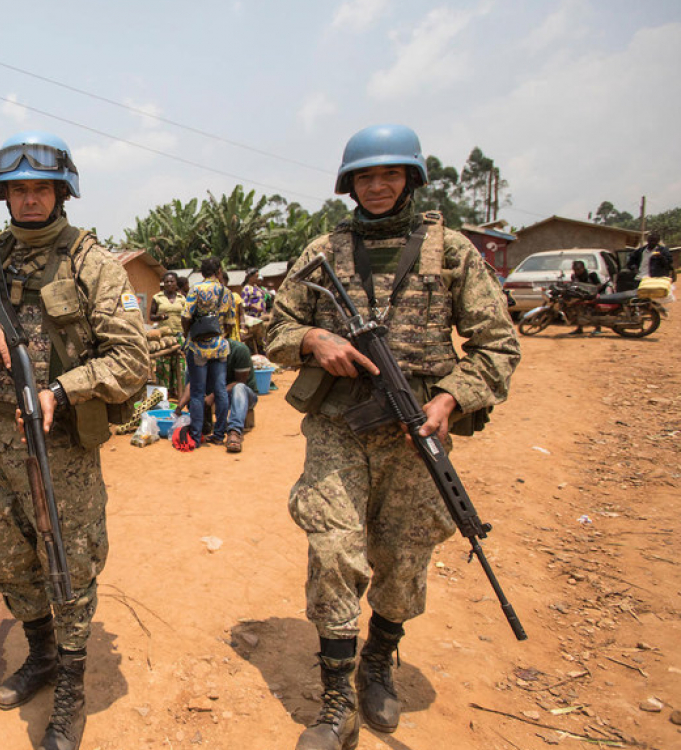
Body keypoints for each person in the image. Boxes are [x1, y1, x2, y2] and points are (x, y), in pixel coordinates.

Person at [265, 124, 520, 750]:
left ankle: (379, 660)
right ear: (348, 184)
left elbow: (498, 345)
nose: (377, 187)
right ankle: (334, 699)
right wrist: (311, 340)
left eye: (390, 175)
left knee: (404, 557)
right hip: (339, 428)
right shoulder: (323, 249)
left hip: (415, 433)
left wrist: (450, 397)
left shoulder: (453, 251)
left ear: (411, 179)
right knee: (333, 549)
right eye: (365, 177)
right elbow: (272, 325)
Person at [0, 130, 148, 750]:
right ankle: (42, 655)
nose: (30, 200)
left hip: (61, 449)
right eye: (19, 190)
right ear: (5, 196)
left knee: (68, 563)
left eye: (42, 189)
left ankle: (72, 690)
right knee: (6, 558)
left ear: (63, 192)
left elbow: (131, 359)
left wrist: (65, 388)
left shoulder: (92, 262)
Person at [181, 257, 233, 447]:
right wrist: (219, 335)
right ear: (219, 271)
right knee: (220, 390)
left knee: (197, 392)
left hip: (198, 348)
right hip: (219, 347)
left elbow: (186, 316)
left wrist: (188, 335)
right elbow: (230, 323)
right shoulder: (226, 292)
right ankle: (219, 434)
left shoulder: (196, 289)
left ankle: (195, 436)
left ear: (202, 273)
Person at [173, 338, 257, 453]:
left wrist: (212, 396)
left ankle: (234, 432)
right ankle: (204, 429)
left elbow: (241, 381)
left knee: (239, 388)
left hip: (244, 396)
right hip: (220, 395)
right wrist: (178, 408)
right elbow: (193, 383)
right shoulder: (204, 352)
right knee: (195, 382)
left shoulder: (239, 350)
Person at [149, 271, 186, 394]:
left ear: (176, 283)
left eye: (172, 281)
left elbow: (186, 316)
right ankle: (164, 393)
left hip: (179, 335)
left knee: (179, 365)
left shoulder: (182, 298)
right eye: (167, 282)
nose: (169, 284)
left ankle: (178, 391)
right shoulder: (157, 298)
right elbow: (151, 316)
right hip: (164, 337)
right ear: (163, 284)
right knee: (164, 366)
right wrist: (160, 317)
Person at [568, 260, 602, 336]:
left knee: (593, 311)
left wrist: (593, 290)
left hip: (593, 295)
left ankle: (598, 327)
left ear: (583, 268)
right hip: (581, 295)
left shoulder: (591, 274)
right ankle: (579, 328)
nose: (577, 272)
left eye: (578, 269)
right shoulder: (574, 276)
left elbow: (599, 285)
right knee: (578, 310)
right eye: (575, 270)